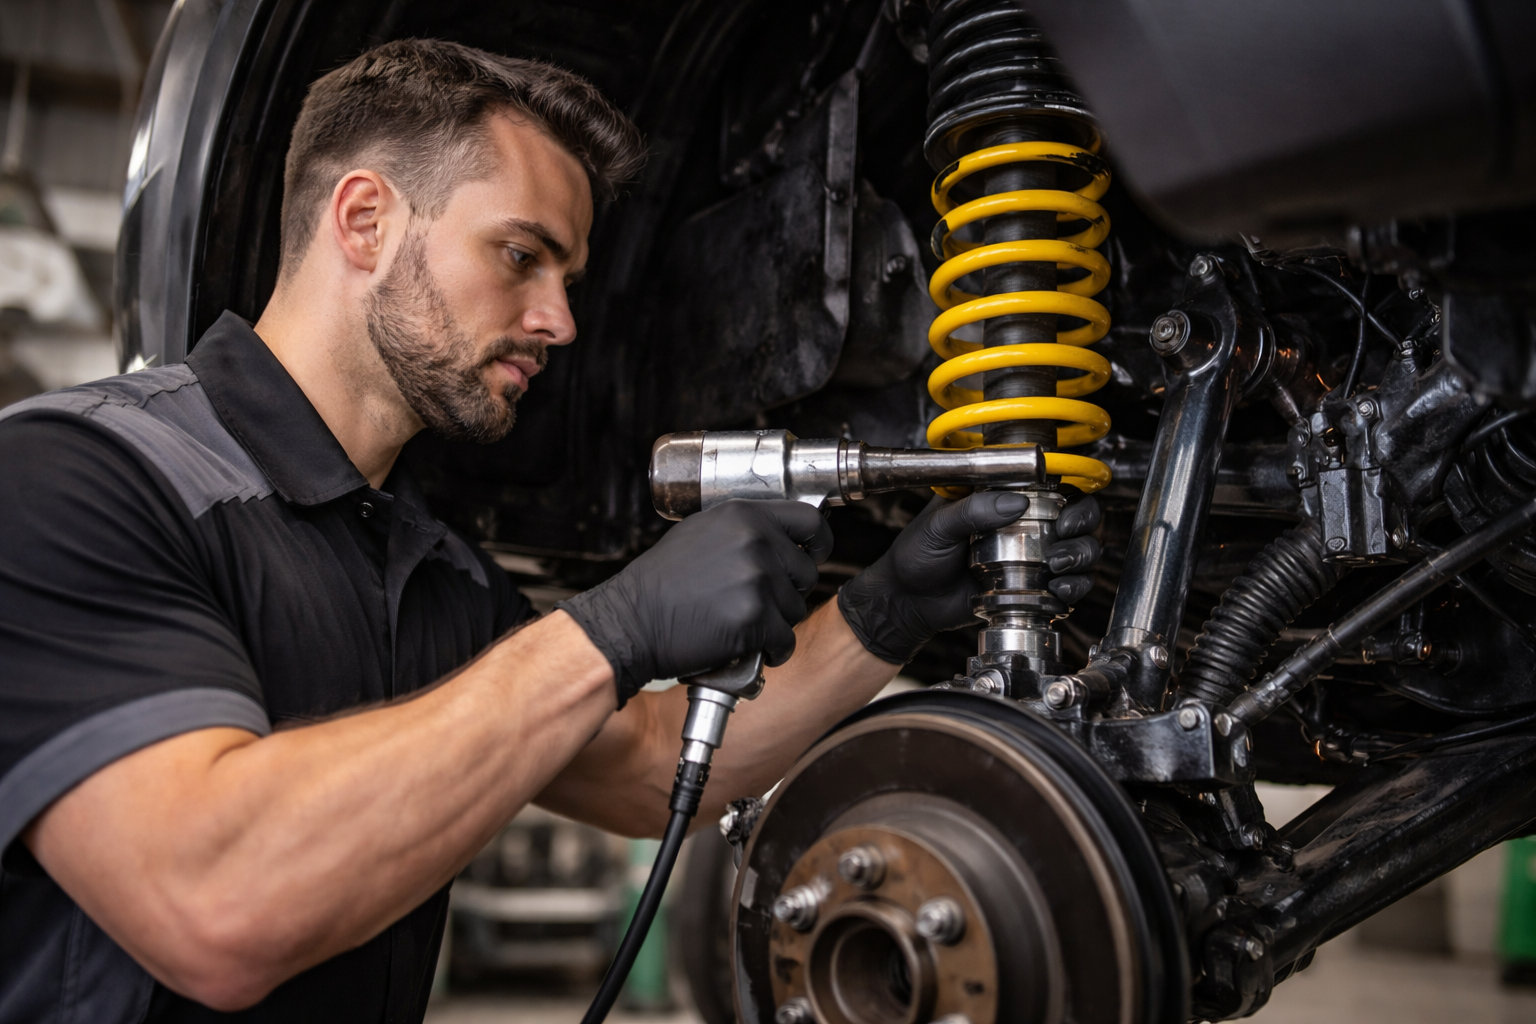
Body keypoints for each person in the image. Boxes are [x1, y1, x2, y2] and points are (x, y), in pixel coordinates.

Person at [0, 39, 1098, 1023]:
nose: (563, 322)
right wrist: (607, 629)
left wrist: (883, 616)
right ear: (365, 220)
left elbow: (650, 764)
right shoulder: (77, 474)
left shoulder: (424, 566)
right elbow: (212, 904)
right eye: (520, 256)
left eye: (567, 277)